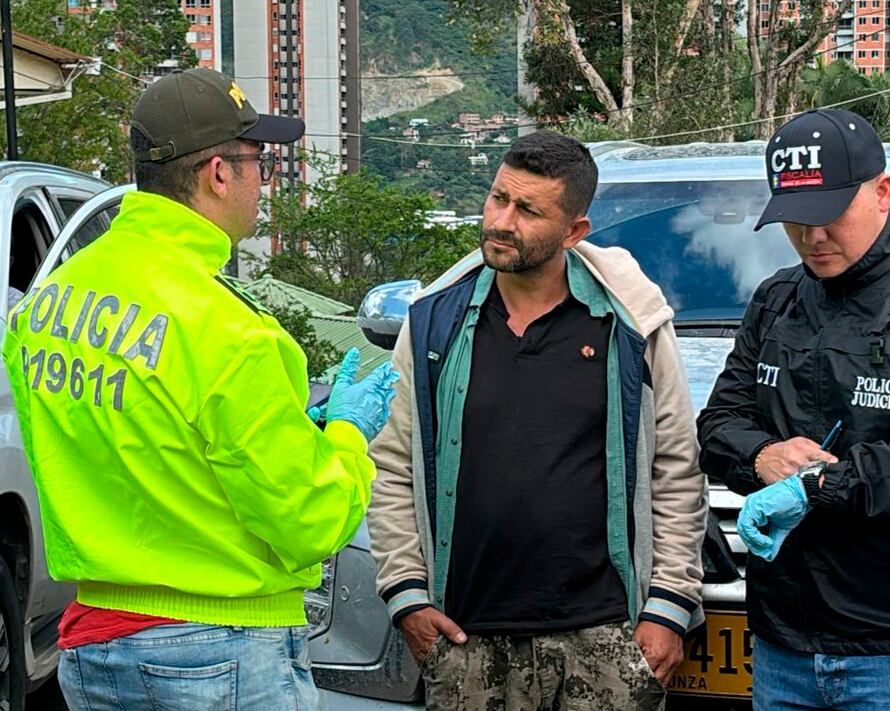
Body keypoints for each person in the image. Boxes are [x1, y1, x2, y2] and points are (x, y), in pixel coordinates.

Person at [1, 68, 398, 709]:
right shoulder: (230, 329)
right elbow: (311, 522)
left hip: (92, 642)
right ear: (219, 173)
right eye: (259, 164)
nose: (261, 184)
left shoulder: (47, 303)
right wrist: (347, 435)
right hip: (216, 651)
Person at [367, 131, 706, 710]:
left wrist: (669, 605)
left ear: (574, 232)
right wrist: (406, 597)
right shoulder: (435, 323)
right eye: (499, 198)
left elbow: (674, 467)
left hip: (606, 637)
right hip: (465, 636)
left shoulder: (630, 325)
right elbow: (393, 466)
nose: (502, 221)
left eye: (528, 210)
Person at [697, 108, 890, 710]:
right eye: (795, 220)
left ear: (883, 193)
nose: (812, 237)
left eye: (830, 217)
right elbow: (716, 425)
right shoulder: (776, 301)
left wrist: (816, 486)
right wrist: (763, 454)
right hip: (783, 647)